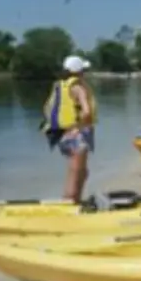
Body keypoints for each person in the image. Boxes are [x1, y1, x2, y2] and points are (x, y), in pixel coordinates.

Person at [41, 55, 97, 201]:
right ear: (79, 72)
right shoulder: (78, 88)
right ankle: (71, 202)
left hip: (62, 135)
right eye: (84, 70)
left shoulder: (60, 86)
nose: (85, 73)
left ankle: (71, 200)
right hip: (77, 135)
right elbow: (87, 112)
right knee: (77, 172)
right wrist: (78, 127)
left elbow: (46, 109)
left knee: (80, 172)